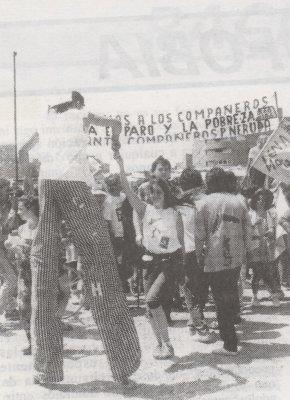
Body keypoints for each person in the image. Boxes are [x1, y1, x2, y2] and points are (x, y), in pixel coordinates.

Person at [30, 92, 141, 385]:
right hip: (74, 185)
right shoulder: (79, 113)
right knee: (100, 266)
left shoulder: (45, 115)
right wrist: (115, 142)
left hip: (46, 185)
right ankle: (123, 363)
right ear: (76, 102)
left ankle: (46, 368)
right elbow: (115, 123)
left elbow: (30, 150)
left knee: (42, 272)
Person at [114, 150, 184, 360]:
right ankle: (160, 344)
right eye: (152, 194)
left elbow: (181, 241)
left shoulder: (175, 213)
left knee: (153, 300)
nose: (155, 197)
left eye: (159, 194)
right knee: (149, 305)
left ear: (166, 193)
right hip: (151, 261)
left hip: (170, 262)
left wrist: (185, 266)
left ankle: (168, 345)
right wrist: (120, 164)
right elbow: (127, 189)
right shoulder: (145, 210)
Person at [195, 167, 251, 356]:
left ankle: (229, 344)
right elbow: (247, 231)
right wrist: (246, 254)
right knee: (230, 292)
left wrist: (199, 257)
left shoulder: (203, 203)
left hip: (215, 257)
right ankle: (231, 335)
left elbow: (199, 236)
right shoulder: (239, 201)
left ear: (209, 183)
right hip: (235, 256)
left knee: (220, 300)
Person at [177, 167, 213, 342]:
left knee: (190, 288)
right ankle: (199, 325)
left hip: (185, 250)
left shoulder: (177, 203)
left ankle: (194, 321)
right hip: (205, 250)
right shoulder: (207, 201)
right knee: (200, 288)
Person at [5, 195, 39, 355]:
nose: (18, 212)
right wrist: (13, 247)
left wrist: (22, 248)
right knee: (24, 308)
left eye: (21, 209)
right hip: (24, 275)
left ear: (31, 209)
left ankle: (43, 343)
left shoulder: (42, 228)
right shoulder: (22, 229)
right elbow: (14, 252)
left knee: (40, 311)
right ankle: (32, 343)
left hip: (40, 275)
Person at [248, 188, 281, 307]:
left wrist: (270, 232)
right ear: (255, 200)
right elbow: (246, 230)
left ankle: (274, 296)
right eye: (258, 199)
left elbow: (272, 228)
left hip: (266, 247)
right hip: (254, 247)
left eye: (263, 200)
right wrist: (254, 225)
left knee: (268, 272)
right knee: (257, 272)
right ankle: (255, 296)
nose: (260, 202)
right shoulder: (249, 214)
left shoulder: (269, 214)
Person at [103, 174, 129, 292]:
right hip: (116, 236)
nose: (120, 185)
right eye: (118, 183)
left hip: (127, 234)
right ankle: (118, 287)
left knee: (125, 262)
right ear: (112, 186)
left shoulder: (124, 197)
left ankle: (125, 284)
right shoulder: (108, 201)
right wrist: (112, 237)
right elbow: (108, 221)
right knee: (117, 262)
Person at [0, 178, 18, 321]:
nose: (8, 192)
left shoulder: (8, 204)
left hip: (6, 246)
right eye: (5, 189)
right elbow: (6, 226)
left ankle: (10, 308)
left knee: (8, 278)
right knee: (11, 280)